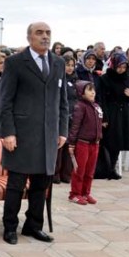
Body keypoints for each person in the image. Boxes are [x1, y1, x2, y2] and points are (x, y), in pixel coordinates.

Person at [0, 22, 67, 245]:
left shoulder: (58, 62)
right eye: (39, 33)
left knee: (41, 185)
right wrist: (8, 132)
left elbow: (63, 101)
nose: (45, 36)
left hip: (49, 137)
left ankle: (33, 226)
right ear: (29, 37)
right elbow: (5, 101)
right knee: (16, 185)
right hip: (22, 136)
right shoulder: (15, 62)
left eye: (48, 33)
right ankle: (10, 227)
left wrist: (62, 130)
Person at [97, 53, 129, 179]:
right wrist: (104, 117)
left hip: (123, 113)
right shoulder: (105, 78)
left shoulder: (127, 78)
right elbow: (101, 98)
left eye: (124, 67)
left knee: (118, 142)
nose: (121, 70)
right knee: (108, 141)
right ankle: (104, 169)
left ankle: (112, 168)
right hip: (110, 112)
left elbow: (127, 97)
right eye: (119, 67)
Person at [67, 81, 103, 205]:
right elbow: (75, 126)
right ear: (81, 92)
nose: (93, 92)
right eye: (89, 90)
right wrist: (72, 143)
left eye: (93, 90)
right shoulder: (80, 107)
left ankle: (85, 193)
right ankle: (74, 194)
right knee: (79, 170)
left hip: (95, 144)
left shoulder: (96, 106)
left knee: (90, 171)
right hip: (82, 143)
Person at [54, 55, 78, 183]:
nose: (70, 68)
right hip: (60, 115)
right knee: (59, 144)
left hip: (73, 115)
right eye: (67, 65)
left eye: (72, 65)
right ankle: (55, 172)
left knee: (70, 145)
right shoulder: (58, 79)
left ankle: (66, 173)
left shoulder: (75, 80)